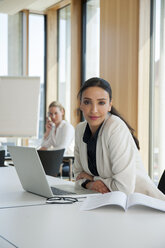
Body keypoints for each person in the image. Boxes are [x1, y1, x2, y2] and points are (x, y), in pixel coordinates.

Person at [74, 77, 165, 200]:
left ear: (109, 105)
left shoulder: (115, 128)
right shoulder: (80, 130)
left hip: (140, 204)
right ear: (80, 105)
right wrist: (91, 184)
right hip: (106, 200)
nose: (94, 110)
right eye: (87, 102)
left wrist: (93, 178)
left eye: (101, 103)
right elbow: (78, 175)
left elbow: (124, 189)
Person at [40, 101, 75, 176]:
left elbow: (62, 149)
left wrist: (46, 151)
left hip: (67, 163)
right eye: (51, 114)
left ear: (62, 112)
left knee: (42, 169)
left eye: (56, 113)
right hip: (55, 161)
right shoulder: (53, 128)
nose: (53, 117)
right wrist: (47, 132)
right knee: (38, 167)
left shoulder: (67, 127)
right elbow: (44, 146)